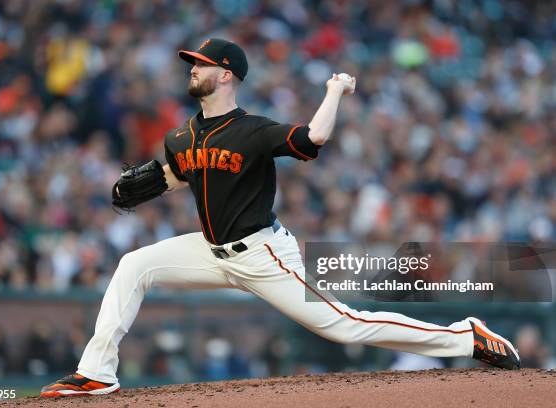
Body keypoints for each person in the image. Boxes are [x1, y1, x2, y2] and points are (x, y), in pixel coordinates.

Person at [40, 38, 519, 397]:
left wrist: (334, 91)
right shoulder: (180, 137)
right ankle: (98, 373)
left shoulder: (253, 131)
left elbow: (312, 140)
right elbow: (179, 175)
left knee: (344, 324)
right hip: (210, 251)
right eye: (191, 63)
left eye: (201, 64)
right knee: (134, 265)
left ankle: (465, 336)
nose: (192, 69)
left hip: (264, 254)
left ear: (226, 75)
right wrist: (150, 184)